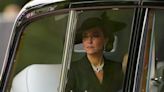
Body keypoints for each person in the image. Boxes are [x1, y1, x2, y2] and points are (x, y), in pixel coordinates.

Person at [65, 15, 126, 92]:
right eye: (85, 36)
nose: (89, 41)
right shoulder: (74, 69)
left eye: (95, 36)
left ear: (105, 40)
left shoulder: (116, 68)